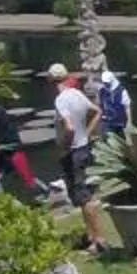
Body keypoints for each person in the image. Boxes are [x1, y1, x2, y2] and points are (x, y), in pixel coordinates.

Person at [51, 72, 99, 204]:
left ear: (51, 83)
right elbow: (98, 111)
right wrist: (87, 133)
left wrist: (67, 146)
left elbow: (70, 128)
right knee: (82, 186)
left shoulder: (60, 99)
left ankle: (90, 218)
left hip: (72, 151)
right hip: (84, 147)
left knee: (79, 194)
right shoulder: (77, 94)